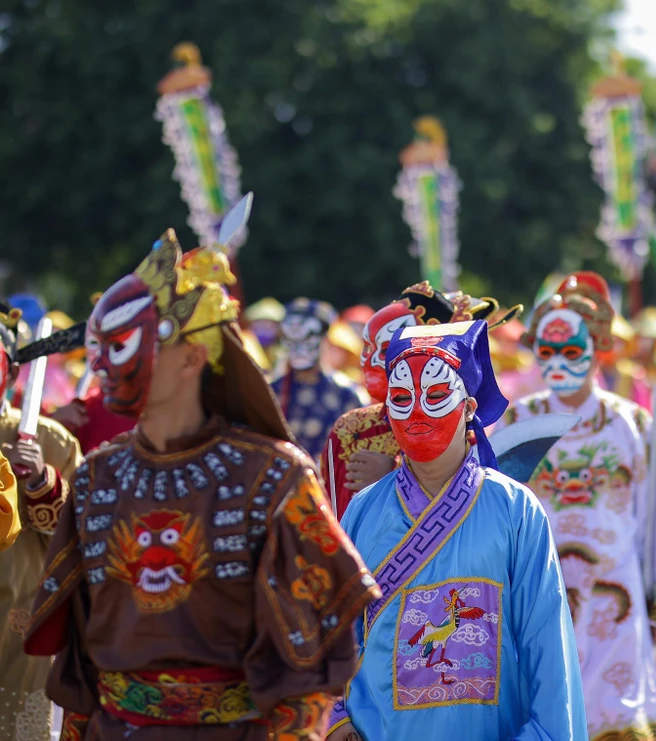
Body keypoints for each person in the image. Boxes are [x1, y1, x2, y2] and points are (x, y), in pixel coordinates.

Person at [23, 223, 379, 740]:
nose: (102, 364)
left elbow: (311, 658)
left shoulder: (274, 477)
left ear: (193, 356)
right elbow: (81, 663)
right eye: (102, 347)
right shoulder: (97, 477)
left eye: (125, 346)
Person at [328, 319, 587, 741]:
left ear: (469, 408)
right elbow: (333, 635)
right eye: (401, 398)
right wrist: (335, 718)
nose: (415, 413)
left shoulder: (514, 508)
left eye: (434, 396)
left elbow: (547, 646)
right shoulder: (362, 511)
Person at [498, 272, 656, 741]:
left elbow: (655, 511)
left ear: (597, 346)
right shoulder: (516, 420)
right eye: (546, 351)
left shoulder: (631, 422)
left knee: (615, 706)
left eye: (570, 349)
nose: (559, 362)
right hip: (539, 589)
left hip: (615, 593)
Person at [322, 283, 510, 517]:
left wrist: (393, 476)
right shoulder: (351, 430)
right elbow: (335, 521)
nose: (367, 361)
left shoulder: (468, 431)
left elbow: (480, 509)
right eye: (366, 348)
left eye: (387, 349)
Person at [0, 301, 84, 741]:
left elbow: (86, 533)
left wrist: (41, 481)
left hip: (21, 618)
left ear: (12, 374)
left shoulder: (50, 440)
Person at [271, 298, 366, 462]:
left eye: (308, 339)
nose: (299, 349)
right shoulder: (270, 393)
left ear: (324, 339)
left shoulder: (347, 395)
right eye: (292, 340)